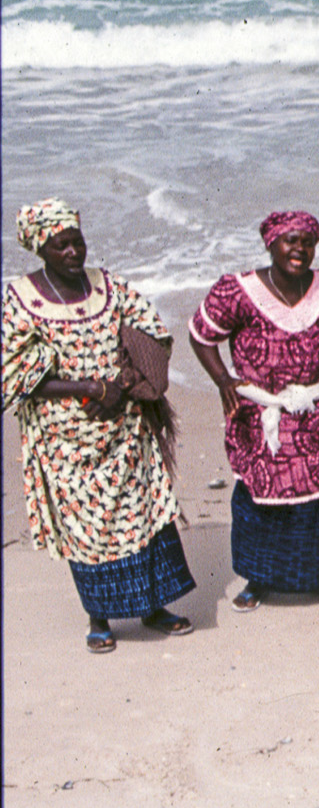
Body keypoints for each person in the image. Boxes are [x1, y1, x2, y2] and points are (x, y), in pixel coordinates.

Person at [3, 198, 195, 652]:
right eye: (60, 246)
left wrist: (124, 382)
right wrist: (88, 388)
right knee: (88, 529)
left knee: (144, 517)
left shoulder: (107, 286)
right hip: (66, 438)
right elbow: (14, 374)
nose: (73, 252)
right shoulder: (21, 299)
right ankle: (99, 618)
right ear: (40, 249)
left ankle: (154, 607)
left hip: (125, 425)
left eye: (77, 242)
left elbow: (151, 330)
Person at [190, 211, 319, 611]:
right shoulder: (237, 291)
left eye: (307, 242)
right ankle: (258, 580)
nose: (300, 250)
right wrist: (223, 380)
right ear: (270, 244)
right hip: (265, 414)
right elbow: (201, 335)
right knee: (262, 497)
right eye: (290, 241)